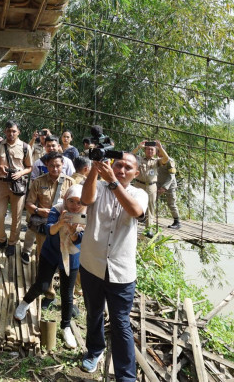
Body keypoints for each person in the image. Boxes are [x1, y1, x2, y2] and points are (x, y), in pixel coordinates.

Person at [79, 153, 148, 377]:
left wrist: (113, 182)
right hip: (92, 264)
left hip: (121, 271)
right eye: (118, 165)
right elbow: (86, 200)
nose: (122, 170)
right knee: (94, 312)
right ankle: (94, 350)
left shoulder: (140, 193)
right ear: (111, 165)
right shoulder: (97, 186)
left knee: (121, 323)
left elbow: (136, 212)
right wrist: (94, 170)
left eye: (128, 168)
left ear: (136, 173)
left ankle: (126, 376)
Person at [14, 184, 84, 349]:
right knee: (42, 284)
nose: (74, 205)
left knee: (67, 294)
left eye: (79, 202)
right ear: (65, 199)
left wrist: (74, 231)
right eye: (71, 200)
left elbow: (79, 240)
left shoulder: (85, 215)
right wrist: (60, 223)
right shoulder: (57, 210)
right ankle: (25, 303)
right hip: (51, 252)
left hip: (71, 257)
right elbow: (49, 231)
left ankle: (66, 327)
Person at [22, 151, 75, 270]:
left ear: (63, 165)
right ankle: (44, 282)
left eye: (58, 165)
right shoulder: (38, 182)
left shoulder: (70, 182)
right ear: (46, 165)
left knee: (62, 254)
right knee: (43, 254)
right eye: (51, 165)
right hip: (44, 225)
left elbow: (77, 204)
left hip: (63, 225)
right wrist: (38, 210)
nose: (55, 169)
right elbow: (28, 203)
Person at [0, 121, 33, 257]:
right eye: (8, 131)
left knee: (17, 216)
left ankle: (12, 243)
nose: (11, 134)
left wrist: (20, 173)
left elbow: (30, 167)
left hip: (17, 184)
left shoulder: (25, 147)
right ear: (5, 131)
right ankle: (2, 239)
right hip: (1, 184)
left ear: (18, 132)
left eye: (14, 131)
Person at [132, 140, 169, 236]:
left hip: (151, 186)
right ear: (145, 150)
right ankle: (131, 226)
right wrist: (138, 147)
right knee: (134, 205)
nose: (150, 151)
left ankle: (148, 230)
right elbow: (129, 156)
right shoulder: (139, 159)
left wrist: (160, 147)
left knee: (150, 208)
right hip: (139, 185)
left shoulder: (157, 161)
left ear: (155, 152)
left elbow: (166, 158)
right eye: (148, 149)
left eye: (152, 150)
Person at [157, 155, 181, 229]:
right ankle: (145, 218)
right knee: (150, 200)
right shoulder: (156, 160)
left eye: (159, 151)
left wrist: (164, 187)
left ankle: (177, 222)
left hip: (170, 185)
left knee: (171, 203)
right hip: (158, 184)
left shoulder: (170, 161)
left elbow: (171, 176)